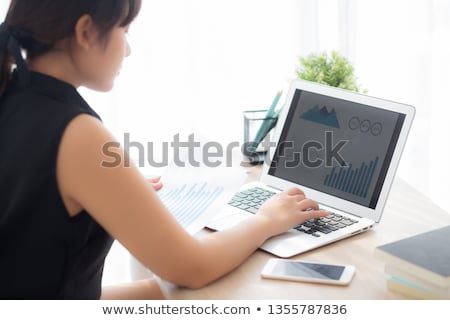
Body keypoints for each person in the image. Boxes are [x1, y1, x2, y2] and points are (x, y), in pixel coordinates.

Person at [0, 0, 328, 300]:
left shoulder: (12, 99)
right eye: (124, 32)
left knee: (161, 292)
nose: (127, 50)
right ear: (85, 31)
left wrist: (113, 186)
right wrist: (266, 220)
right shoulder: (76, 132)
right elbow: (192, 267)